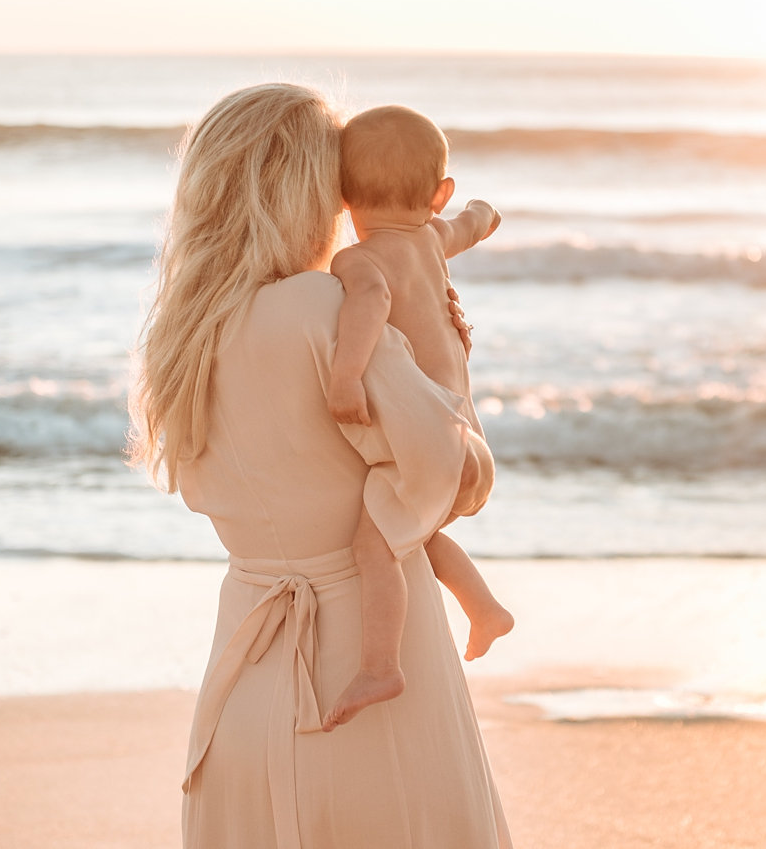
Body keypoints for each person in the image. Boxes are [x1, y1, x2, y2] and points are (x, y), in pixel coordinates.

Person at [129, 83, 511, 849]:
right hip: (372, 678)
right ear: (311, 189)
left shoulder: (181, 337)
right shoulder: (325, 309)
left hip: (244, 669)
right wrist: (447, 369)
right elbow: (454, 479)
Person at [323, 104, 513, 729]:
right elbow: (473, 223)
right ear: (439, 193)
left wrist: (347, 374)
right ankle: (484, 609)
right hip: (468, 445)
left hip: (430, 440)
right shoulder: (435, 239)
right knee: (418, 533)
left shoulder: (357, 261)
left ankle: (382, 665)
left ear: (341, 194)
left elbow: (372, 301)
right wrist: (484, 214)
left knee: (372, 544)